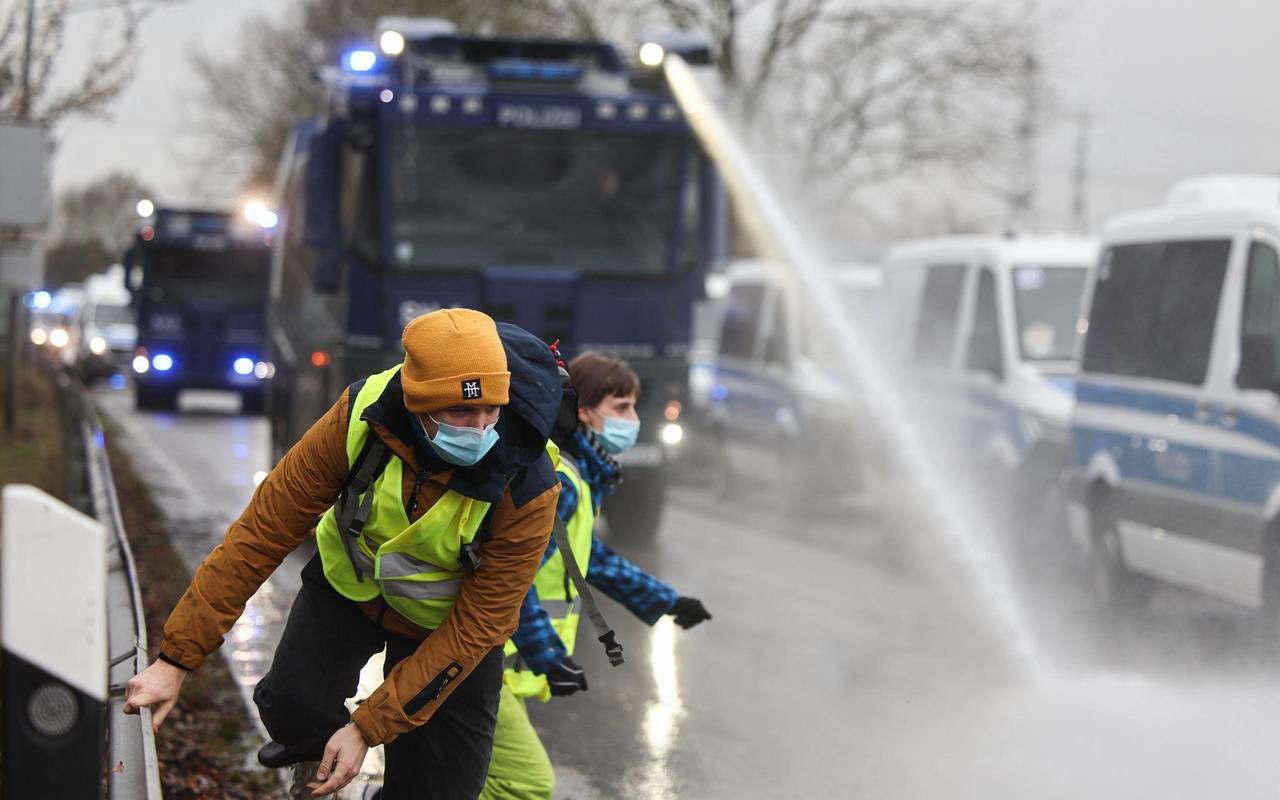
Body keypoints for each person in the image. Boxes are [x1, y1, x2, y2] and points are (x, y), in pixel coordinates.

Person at [123, 309, 565, 800]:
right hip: (350, 589)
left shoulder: (529, 482)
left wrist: (366, 729)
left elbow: (481, 624)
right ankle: (319, 781)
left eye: (491, 411)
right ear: (418, 406)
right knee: (292, 705)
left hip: (447, 628)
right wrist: (176, 660)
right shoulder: (359, 416)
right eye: (461, 413)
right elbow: (262, 533)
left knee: (439, 788)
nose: (481, 429)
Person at [480, 351, 713, 800]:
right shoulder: (564, 484)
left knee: (476, 776)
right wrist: (547, 654)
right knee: (526, 785)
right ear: (584, 412)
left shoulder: (577, 476)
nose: (632, 419)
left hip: (499, 664)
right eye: (620, 407)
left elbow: (592, 559)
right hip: (493, 662)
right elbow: (511, 579)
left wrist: (666, 602)